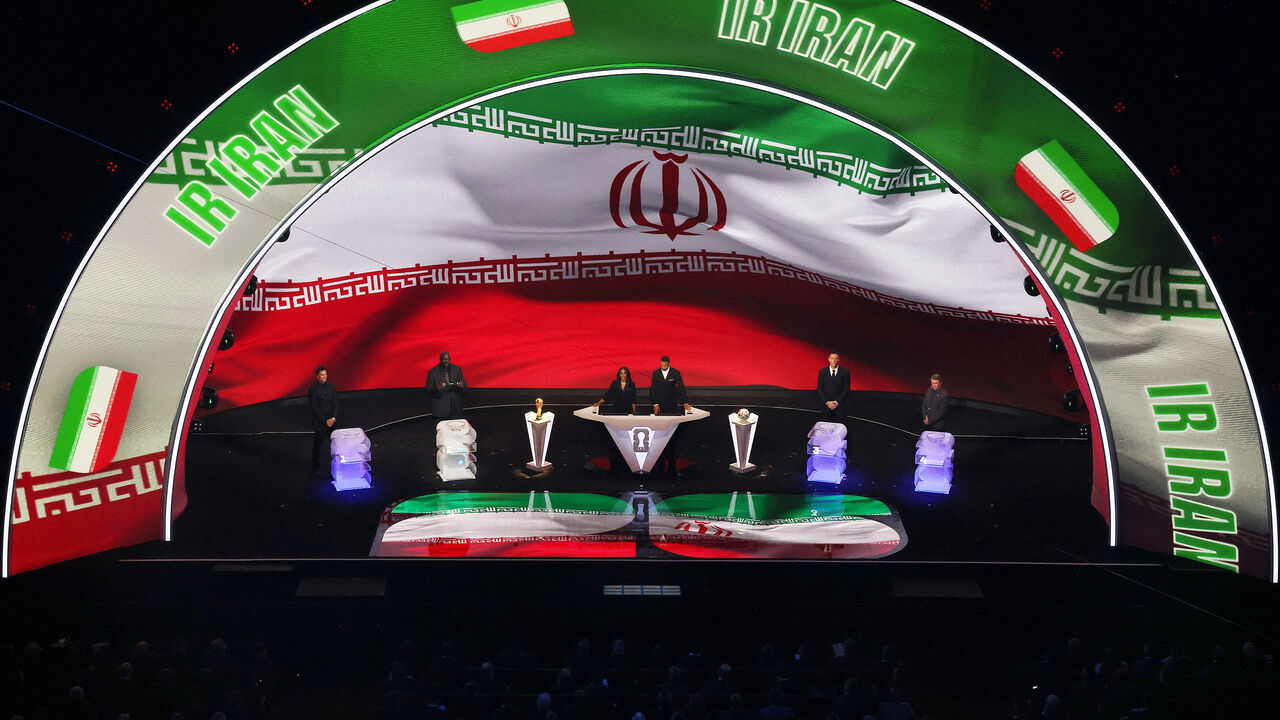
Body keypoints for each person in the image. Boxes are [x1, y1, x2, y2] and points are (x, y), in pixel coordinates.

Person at [308, 365, 337, 474]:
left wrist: (333, 418)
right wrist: (326, 420)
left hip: (331, 421)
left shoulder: (331, 386)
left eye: (325, 374)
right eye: (321, 375)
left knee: (335, 444)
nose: (324, 377)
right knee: (318, 446)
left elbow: (335, 403)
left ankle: (337, 466)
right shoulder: (313, 390)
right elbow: (314, 408)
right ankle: (315, 468)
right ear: (317, 376)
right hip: (320, 423)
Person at [426, 351, 467, 419]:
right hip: (440, 410)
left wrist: (462, 386)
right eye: (444, 359)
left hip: (455, 410)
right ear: (440, 359)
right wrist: (437, 388)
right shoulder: (433, 372)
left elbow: (465, 386)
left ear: (450, 359)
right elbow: (428, 390)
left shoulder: (457, 369)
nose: (446, 361)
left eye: (447, 359)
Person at [817, 353, 850, 417]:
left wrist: (836, 402)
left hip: (840, 406)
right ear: (829, 359)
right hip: (826, 406)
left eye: (836, 358)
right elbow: (820, 388)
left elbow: (846, 389)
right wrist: (827, 402)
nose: (834, 360)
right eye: (832, 358)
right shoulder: (822, 372)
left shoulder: (845, 372)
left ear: (839, 360)